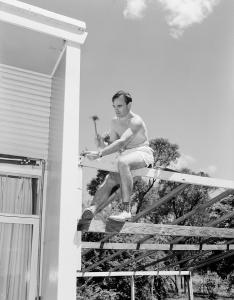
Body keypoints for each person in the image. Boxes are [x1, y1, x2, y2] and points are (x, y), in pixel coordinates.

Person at [82, 90, 154, 222]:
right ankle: (91, 210)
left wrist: (99, 154)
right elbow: (115, 144)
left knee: (123, 162)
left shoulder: (136, 121)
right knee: (109, 180)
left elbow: (122, 141)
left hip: (142, 153)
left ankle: (126, 211)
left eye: (119, 106)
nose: (116, 109)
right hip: (125, 154)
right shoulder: (114, 122)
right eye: (114, 106)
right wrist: (102, 144)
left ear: (129, 105)